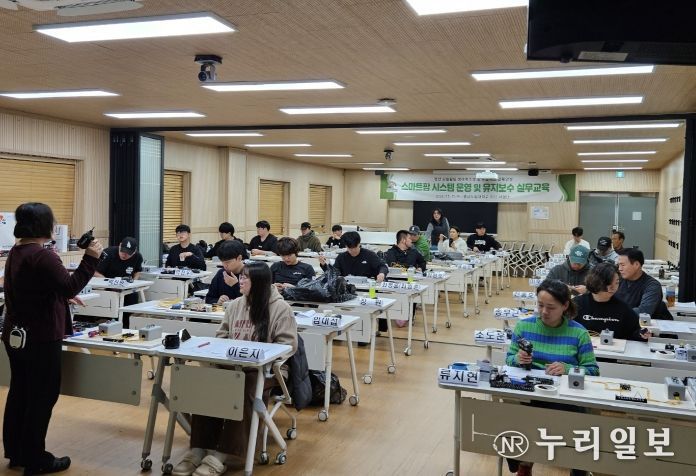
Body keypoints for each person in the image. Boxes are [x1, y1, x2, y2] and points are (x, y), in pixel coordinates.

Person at [2, 202, 103, 475]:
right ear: (44, 225)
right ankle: (36, 459)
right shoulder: (43, 256)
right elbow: (69, 285)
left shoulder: (17, 252)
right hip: (41, 336)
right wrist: (91, 257)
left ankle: (17, 452)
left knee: (21, 392)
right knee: (42, 396)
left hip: (16, 334)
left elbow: (31, 288)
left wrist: (60, 296)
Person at [172, 262, 298, 476]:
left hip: (266, 371)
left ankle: (223, 455)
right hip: (232, 365)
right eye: (241, 277)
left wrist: (260, 357)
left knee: (244, 389)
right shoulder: (236, 305)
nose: (240, 280)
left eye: (246, 278)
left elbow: (288, 346)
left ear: (259, 282)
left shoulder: (281, 309)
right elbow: (221, 336)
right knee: (207, 384)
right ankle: (199, 448)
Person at [505, 278, 598, 476]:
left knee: (572, 426)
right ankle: (523, 462)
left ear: (565, 306)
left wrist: (568, 368)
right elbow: (509, 360)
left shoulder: (578, 333)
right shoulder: (524, 327)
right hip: (530, 394)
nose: (544, 312)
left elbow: (592, 370)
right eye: (540, 305)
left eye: (551, 307)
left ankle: (575, 468)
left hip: (565, 399)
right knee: (513, 416)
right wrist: (518, 359)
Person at [319, 231, 388, 332]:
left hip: (366, 290)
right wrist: (324, 266)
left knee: (364, 314)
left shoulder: (369, 255)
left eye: (355, 247)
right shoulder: (341, 257)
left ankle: (368, 331)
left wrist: (381, 273)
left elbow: (382, 266)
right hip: (348, 291)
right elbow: (334, 274)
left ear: (359, 244)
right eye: (349, 248)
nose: (352, 251)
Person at [574, 262, 646, 341]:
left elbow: (634, 332)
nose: (613, 288)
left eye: (616, 283)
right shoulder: (577, 304)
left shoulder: (622, 308)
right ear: (595, 282)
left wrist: (642, 334)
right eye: (608, 283)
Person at [615, 249, 672, 320]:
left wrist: (614, 313)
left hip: (650, 324)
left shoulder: (652, 285)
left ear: (636, 265)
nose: (620, 269)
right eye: (618, 265)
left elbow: (644, 311)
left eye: (623, 265)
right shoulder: (617, 281)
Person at [205, 240, 245, 305]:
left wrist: (235, 285)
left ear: (239, 258)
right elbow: (208, 299)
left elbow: (250, 302)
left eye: (228, 262)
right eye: (222, 262)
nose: (224, 265)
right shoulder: (221, 274)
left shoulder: (251, 274)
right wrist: (218, 301)